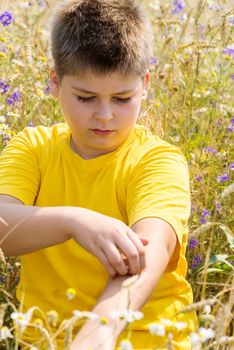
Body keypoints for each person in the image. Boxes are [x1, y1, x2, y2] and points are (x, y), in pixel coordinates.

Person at [0, 0, 198, 349]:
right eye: (86, 97)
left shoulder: (156, 160)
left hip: (143, 338)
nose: (105, 115)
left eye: (122, 98)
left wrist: (100, 332)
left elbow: (152, 251)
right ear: (55, 82)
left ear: (145, 84)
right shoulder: (32, 148)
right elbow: (4, 229)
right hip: (45, 339)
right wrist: (73, 221)